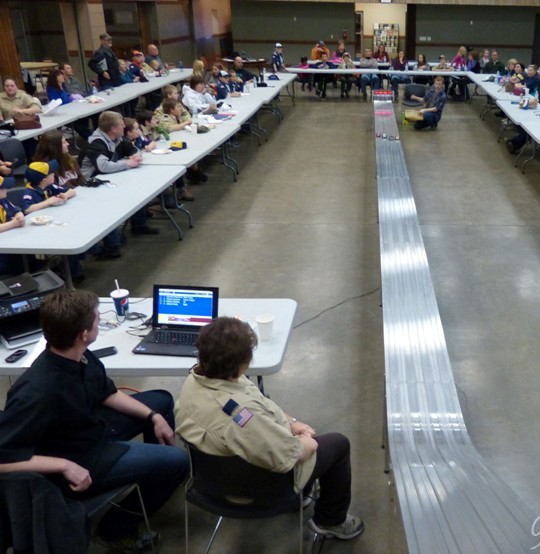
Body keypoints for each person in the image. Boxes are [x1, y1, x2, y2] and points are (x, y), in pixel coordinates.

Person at [0, 289, 189, 552]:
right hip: (82, 457)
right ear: (84, 334)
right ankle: (115, 529)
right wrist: (65, 465)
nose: (101, 322)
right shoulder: (38, 392)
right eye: (98, 319)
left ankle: (156, 476)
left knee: (161, 402)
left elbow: (107, 393)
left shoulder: (80, 355)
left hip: (90, 428)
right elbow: (3, 458)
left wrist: (153, 416)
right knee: (179, 462)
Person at [175, 317, 364, 542]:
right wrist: (306, 442)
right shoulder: (240, 417)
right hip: (260, 485)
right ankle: (331, 521)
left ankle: (305, 495)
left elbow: (258, 404)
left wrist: (291, 422)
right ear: (242, 363)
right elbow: (287, 454)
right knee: (338, 444)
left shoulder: (195, 381)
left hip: (208, 480)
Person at [80, 111, 159, 241]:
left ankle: (139, 224)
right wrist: (127, 163)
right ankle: (112, 242)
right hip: (91, 182)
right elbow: (103, 166)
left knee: (138, 187)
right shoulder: (96, 143)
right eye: (122, 125)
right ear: (113, 129)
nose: (124, 127)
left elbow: (133, 149)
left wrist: (136, 156)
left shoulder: (118, 137)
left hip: (109, 177)